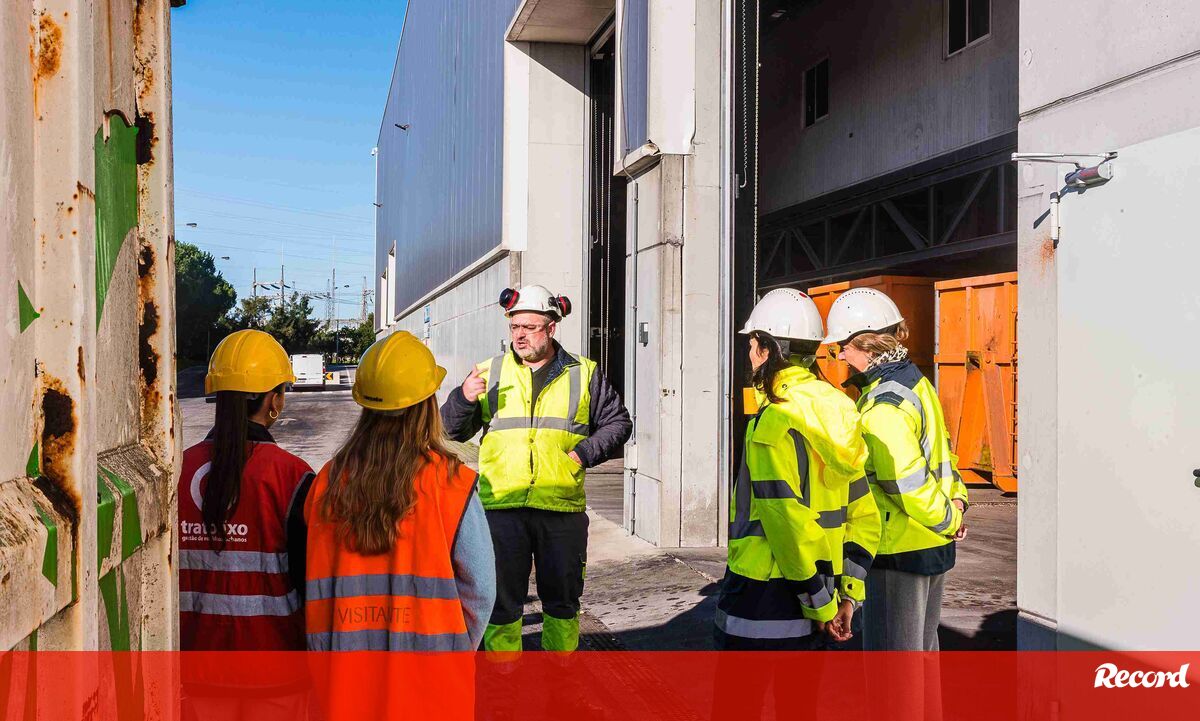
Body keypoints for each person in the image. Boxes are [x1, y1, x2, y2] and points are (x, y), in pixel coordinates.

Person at [304, 331, 495, 718]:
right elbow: (482, 591)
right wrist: (453, 650)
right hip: (433, 691)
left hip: (343, 686)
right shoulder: (452, 483)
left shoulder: (326, 482)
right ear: (427, 405)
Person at [441, 284, 631, 653]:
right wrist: (464, 398)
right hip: (501, 507)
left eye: (529, 327)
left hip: (560, 508)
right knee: (500, 601)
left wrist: (584, 453)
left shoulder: (583, 373)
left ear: (551, 327)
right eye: (515, 327)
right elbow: (449, 431)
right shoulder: (489, 372)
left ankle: (559, 672)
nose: (520, 335)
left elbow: (618, 423)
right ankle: (503, 676)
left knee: (562, 601)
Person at [717, 288, 879, 652]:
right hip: (829, 590)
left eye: (752, 344)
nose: (750, 354)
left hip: (763, 595)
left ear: (766, 349)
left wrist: (818, 602)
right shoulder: (842, 411)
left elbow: (785, 519)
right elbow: (864, 515)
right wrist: (847, 596)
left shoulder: (774, 419)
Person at [823, 288, 969, 652]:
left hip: (897, 551)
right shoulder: (915, 382)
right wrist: (956, 502)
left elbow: (905, 483)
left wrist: (948, 519)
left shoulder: (882, 406)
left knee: (894, 672)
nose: (840, 355)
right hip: (929, 543)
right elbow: (942, 453)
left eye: (843, 346)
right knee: (922, 659)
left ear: (868, 345)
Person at [178, 329, 313, 719]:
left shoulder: (178, 470)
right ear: (274, 400)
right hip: (276, 671)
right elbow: (312, 580)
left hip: (197, 669)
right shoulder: (293, 476)